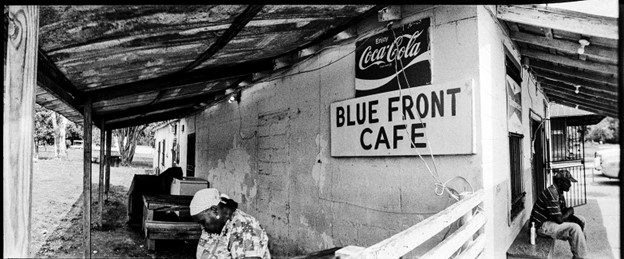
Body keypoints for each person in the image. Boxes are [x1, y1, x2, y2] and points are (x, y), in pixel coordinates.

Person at [190, 188, 270, 259]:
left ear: (214, 210)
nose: (201, 227)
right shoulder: (213, 227)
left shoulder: (245, 228)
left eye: (202, 222)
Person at [530, 170, 587, 258]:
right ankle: (580, 257)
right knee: (575, 228)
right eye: (568, 182)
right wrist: (569, 212)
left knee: (581, 220)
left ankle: (579, 252)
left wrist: (573, 217)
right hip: (541, 226)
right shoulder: (552, 193)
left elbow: (561, 211)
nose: (570, 185)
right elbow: (559, 220)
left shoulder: (558, 192)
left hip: (550, 220)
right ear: (560, 182)